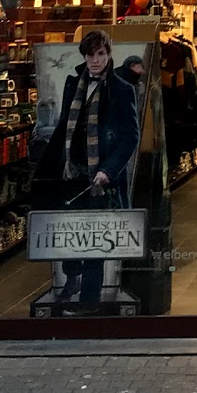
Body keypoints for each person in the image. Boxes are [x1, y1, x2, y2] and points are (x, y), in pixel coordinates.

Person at [35, 30, 140, 311]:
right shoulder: (74, 84)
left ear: (108, 54)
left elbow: (131, 136)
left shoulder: (121, 89)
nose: (95, 60)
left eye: (100, 54)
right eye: (90, 55)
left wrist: (108, 170)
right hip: (71, 171)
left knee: (95, 238)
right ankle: (73, 279)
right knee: (69, 232)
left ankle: (89, 300)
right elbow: (64, 125)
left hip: (100, 177)